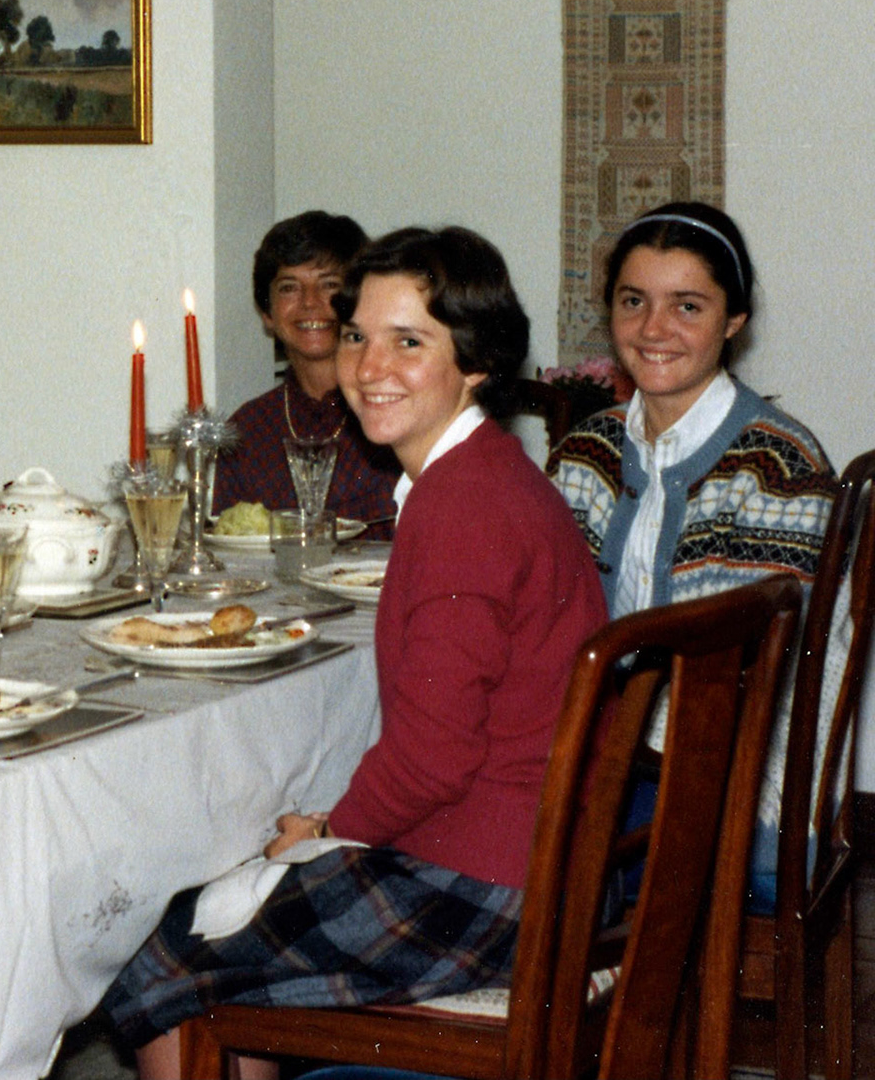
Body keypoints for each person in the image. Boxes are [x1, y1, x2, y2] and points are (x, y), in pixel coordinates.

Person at [101, 227, 606, 1078]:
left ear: (476, 362)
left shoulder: (462, 507)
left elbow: (432, 759)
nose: (371, 367)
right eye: (357, 336)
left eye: (409, 342)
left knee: (161, 954)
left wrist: (331, 832)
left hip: (486, 887)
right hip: (537, 862)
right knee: (232, 910)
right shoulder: (491, 472)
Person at [546, 202, 836, 902]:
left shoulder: (777, 465)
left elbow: (743, 680)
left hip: (736, 776)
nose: (654, 329)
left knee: (526, 851)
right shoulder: (586, 452)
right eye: (634, 301)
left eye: (687, 306)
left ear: (733, 320)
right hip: (617, 750)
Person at [210, 212, 399, 531]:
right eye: (289, 288)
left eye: (329, 285)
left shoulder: (395, 410)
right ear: (267, 313)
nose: (310, 302)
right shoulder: (247, 431)